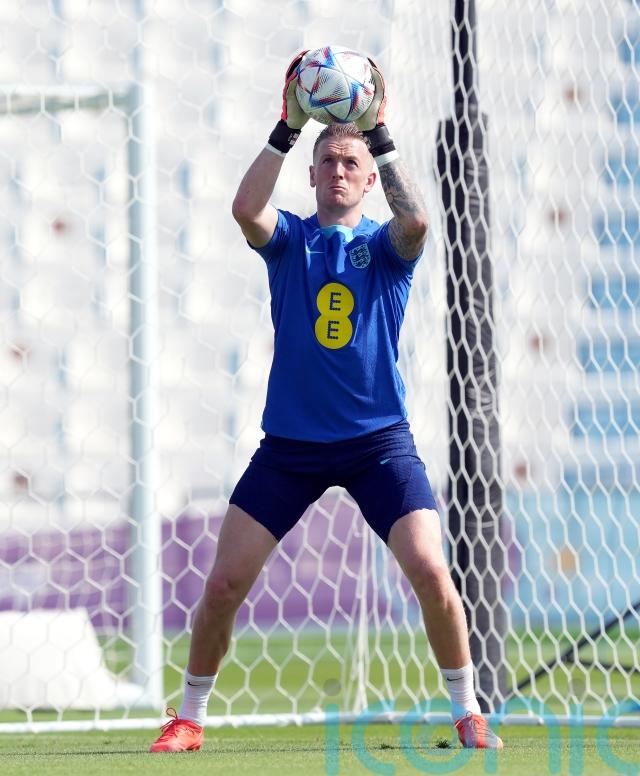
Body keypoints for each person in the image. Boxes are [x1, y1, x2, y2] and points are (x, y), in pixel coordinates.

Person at [150, 51, 503, 753]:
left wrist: (380, 135)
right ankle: (188, 717)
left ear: (368, 179)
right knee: (223, 584)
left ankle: (468, 713)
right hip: (291, 448)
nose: (339, 172)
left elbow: (418, 223)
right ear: (311, 176)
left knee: (432, 571)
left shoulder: (387, 247)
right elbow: (245, 210)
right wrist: (287, 129)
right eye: (328, 163)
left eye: (350, 163)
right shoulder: (291, 241)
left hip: (378, 444)